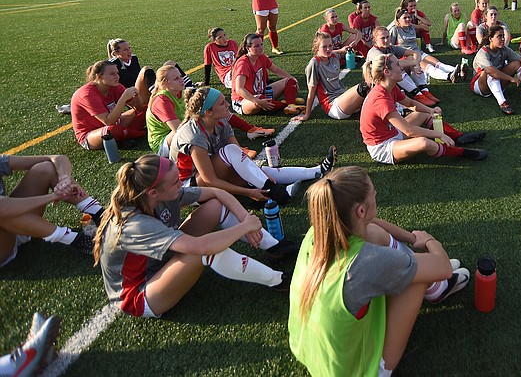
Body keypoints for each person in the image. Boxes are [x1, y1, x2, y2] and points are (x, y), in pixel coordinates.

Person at [289, 166, 471, 376]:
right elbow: (444, 267)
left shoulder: (319, 231)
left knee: (375, 234)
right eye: (373, 191)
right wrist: (429, 240)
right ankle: (436, 289)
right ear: (360, 210)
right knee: (418, 278)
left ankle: (433, 287)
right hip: (355, 371)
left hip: (307, 349)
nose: (376, 193)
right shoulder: (366, 262)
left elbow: (372, 223)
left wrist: (413, 238)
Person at [94, 155, 295, 319]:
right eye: (175, 183)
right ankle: (279, 280)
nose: (181, 185)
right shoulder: (134, 224)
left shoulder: (158, 195)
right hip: (139, 295)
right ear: (153, 192)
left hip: (161, 261)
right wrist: (244, 227)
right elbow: (201, 247)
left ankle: (275, 247)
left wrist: (245, 217)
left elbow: (217, 193)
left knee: (215, 206)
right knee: (201, 252)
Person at [169, 86, 336, 203]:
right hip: (187, 188)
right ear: (208, 112)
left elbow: (240, 156)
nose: (227, 104)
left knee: (257, 171)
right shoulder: (193, 134)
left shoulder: (220, 121)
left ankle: (317, 171)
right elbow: (210, 180)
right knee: (233, 154)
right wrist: (249, 191)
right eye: (222, 103)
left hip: (208, 176)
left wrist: (260, 177)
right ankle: (274, 191)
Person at [360, 54, 487, 164]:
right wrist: (439, 134)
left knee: (423, 114)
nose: (402, 67)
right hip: (383, 147)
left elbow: (409, 102)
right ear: (387, 72)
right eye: (398, 65)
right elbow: (409, 131)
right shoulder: (380, 99)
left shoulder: (390, 86)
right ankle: (462, 152)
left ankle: (458, 137)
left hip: (392, 132)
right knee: (424, 143)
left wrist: (430, 111)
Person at [1, 154, 102, 267]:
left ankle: (100, 214)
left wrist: (65, 182)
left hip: (14, 223)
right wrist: (53, 196)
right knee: (4, 210)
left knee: (45, 168)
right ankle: (80, 241)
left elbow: (58, 158)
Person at [471, 25, 521, 115]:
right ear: (490, 39)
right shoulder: (483, 52)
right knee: (490, 71)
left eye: (503, 36)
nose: (502, 39)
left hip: (497, 82)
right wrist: (511, 79)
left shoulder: (504, 49)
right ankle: (502, 103)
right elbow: (491, 71)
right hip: (480, 86)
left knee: (516, 64)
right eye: (499, 36)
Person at [294, 32, 370, 122]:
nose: (328, 49)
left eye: (330, 46)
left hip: (344, 98)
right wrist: (307, 114)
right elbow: (311, 91)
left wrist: (343, 50)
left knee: (373, 89)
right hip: (333, 106)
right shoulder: (314, 64)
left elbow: (336, 52)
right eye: (324, 47)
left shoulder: (333, 56)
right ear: (316, 48)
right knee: (363, 88)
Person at [70, 60, 147, 150]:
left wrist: (136, 95)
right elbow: (108, 122)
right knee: (111, 131)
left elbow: (139, 108)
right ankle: (141, 133)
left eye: (117, 73)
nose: (117, 76)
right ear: (99, 76)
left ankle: (125, 135)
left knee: (148, 109)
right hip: (91, 134)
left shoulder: (115, 86)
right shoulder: (87, 94)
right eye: (112, 74)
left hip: (116, 122)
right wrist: (123, 99)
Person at [389, 8, 470, 89]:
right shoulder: (395, 29)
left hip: (419, 53)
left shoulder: (411, 27)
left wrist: (418, 20)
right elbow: (391, 46)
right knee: (429, 67)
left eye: (409, 17)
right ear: (398, 20)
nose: (408, 19)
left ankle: (460, 72)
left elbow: (427, 28)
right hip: (408, 57)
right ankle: (449, 76)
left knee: (439, 64)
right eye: (405, 18)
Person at [231, 33, 303, 116]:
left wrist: (293, 78)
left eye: (261, 44)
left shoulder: (261, 56)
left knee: (289, 80)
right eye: (257, 46)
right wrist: (257, 101)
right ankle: (286, 104)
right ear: (248, 48)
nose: (261, 47)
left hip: (262, 92)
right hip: (244, 100)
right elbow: (239, 89)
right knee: (258, 102)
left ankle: (291, 105)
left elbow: (276, 70)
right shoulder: (243, 63)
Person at [369, 26, 438, 107]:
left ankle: (424, 89)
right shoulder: (374, 52)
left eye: (387, 37)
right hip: (378, 83)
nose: (386, 40)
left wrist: (415, 63)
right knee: (395, 69)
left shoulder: (390, 48)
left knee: (410, 58)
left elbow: (416, 53)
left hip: (388, 79)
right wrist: (414, 63)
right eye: (382, 38)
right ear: (375, 40)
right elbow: (395, 63)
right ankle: (417, 94)